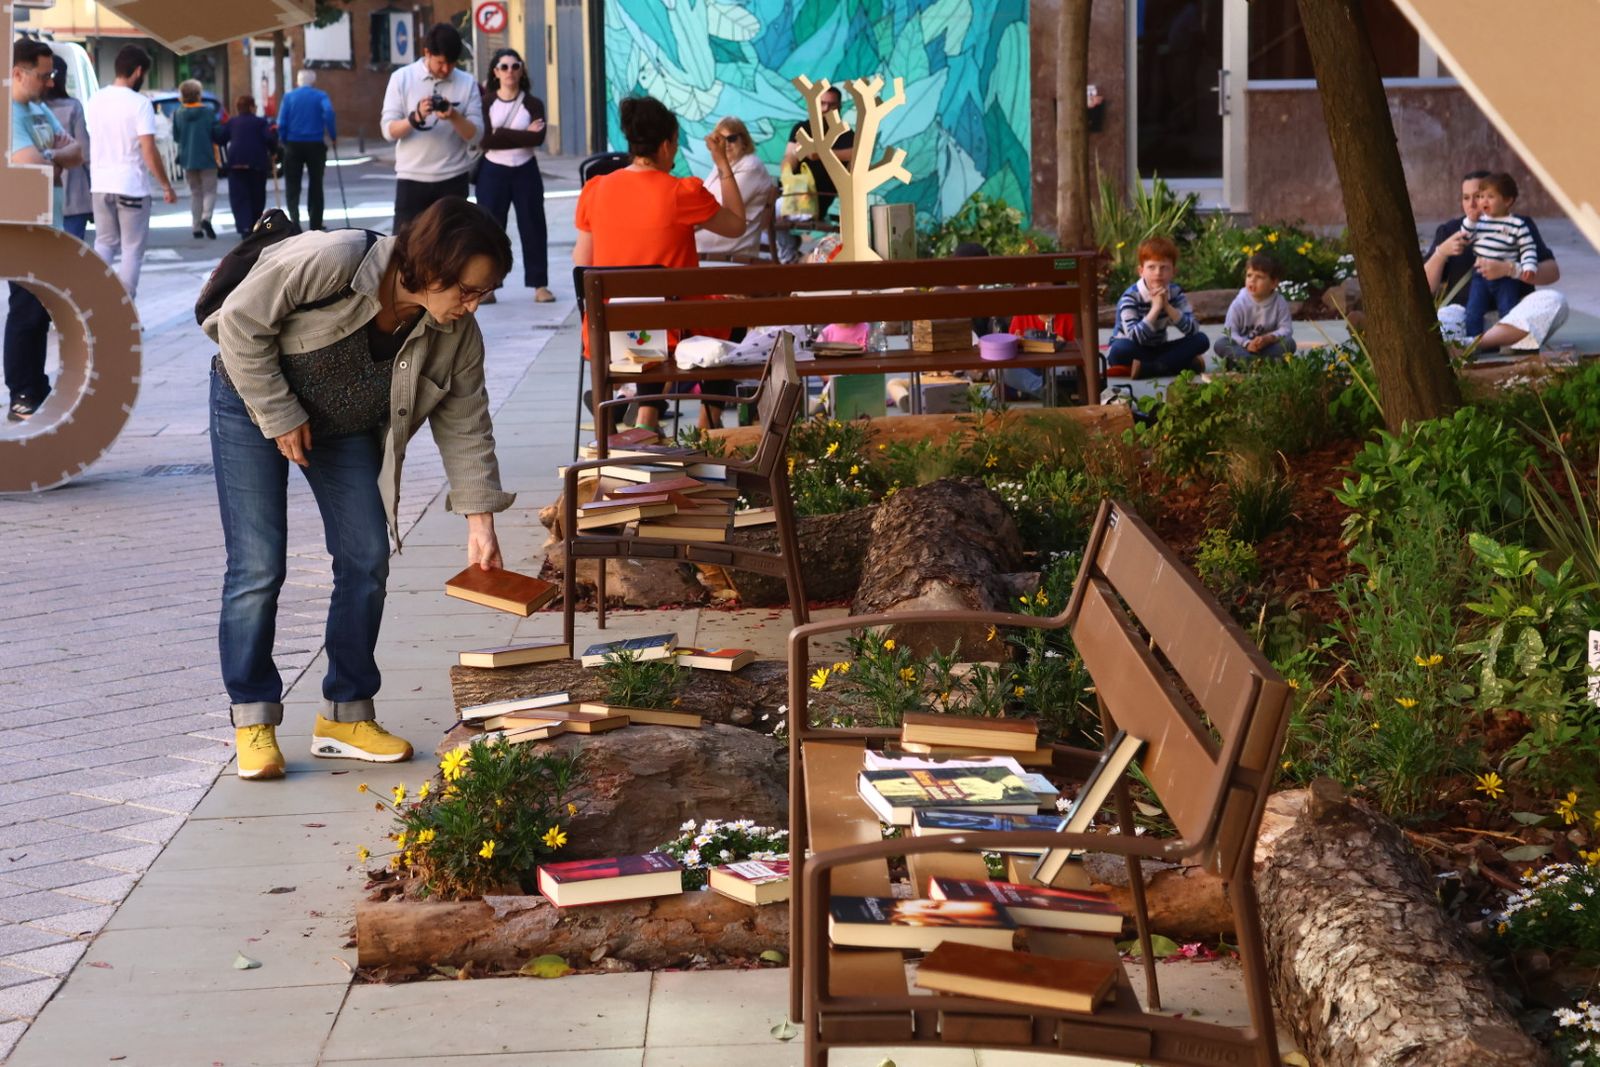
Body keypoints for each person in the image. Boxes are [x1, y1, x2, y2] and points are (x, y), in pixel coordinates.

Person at [201, 198, 515, 780]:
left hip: (340, 429)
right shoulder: (337, 259)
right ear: (435, 269)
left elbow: (467, 421)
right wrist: (278, 412)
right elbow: (237, 324)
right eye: (469, 291)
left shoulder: (456, 334)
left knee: (366, 555)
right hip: (251, 404)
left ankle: (344, 714)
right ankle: (254, 720)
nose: (474, 305)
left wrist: (480, 522)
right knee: (258, 565)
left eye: (483, 294)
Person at [573, 95, 748, 432]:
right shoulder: (681, 193)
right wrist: (724, 166)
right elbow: (737, 225)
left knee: (646, 320)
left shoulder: (596, 190)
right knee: (731, 317)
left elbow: (582, 261)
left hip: (605, 331)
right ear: (666, 145)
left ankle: (646, 414)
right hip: (672, 330)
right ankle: (707, 426)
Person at [6, 40, 84, 422]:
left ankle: (35, 387)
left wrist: (50, 159)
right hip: (20, 227)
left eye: (52, 74)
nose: (51, 82)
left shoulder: (38, 109)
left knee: (41, 309)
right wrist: (51, 159)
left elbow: (76, 152)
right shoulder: (9, 113)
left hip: (49, 223)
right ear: (18, 73)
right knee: (26, 309)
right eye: (44, 75)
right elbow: (27, 162)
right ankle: (22, 393)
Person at [1423, 169, 1567, 353]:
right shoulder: (1452, 229)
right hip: (1464, 314)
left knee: (1555, 301)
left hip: (1513, 318)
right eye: (1466, 198)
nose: (1473, 204)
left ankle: (1471, 345)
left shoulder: (1519, 224)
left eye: (1481, 196)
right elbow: (1425, 288)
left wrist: (1510, 269)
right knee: (1438, 324)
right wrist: (1441, 253)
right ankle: (1479, 343)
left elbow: (1552, 272)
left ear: (1501, 197)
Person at [85, 44, 176, 299]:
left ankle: (94, 303)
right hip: (131, 186)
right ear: (138, 71)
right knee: (131, 250)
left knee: (104, 244)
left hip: (100, 184)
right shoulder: (140, 104)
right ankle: (124, 314)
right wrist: (166, 185)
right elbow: (148, 149)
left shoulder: (95, 100)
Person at [380, 23, 483, 231]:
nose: (446, 70)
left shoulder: (467, 82)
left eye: (452, 64)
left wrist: (453, 116)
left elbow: (476, 136)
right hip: (412, 178)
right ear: (427, 53)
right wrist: (415, 118)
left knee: (453, 251)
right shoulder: (402, 78)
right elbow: (388, 131)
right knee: (405, 249)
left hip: (453, 179)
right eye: (441, 63)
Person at [475, 48, 552, 303]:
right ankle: (489, 286)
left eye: (515, 66)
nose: (510, 71)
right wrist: (520, 135)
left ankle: (540, 285)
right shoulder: (485, 103)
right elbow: (485, 139)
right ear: (495, 72)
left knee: (533, 226)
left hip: (525, 170)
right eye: (504, 67)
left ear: (521, 71)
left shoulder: (533, 103)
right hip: (492, 172)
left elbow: (538, 138)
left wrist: (501, 133)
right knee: (489, 229)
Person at [1107, 236, 1209, 379]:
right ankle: (1176, 364)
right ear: (1141, 271)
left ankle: (1152, 367)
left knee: (1201, 340)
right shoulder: (1130, 297)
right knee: (1119, 350)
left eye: (1164, 267)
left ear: (1174, 271)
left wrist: (1167, 306)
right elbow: (1135, 338)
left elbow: (1192, 329)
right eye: (1151, 267)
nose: (1158, 273)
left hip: (1158, 348)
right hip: (1133, 347)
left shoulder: (1175, 293)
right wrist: (1155, 308)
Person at [776, 85, 853, 262]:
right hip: (795, 193)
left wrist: (822, 154)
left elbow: (856, 152)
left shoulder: (845, 134)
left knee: (774, 209)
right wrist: (787, 170)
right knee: (770, 204)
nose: (826, 109)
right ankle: (789, 251)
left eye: (832, 105)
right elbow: (789, 155)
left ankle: (788, 256)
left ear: (839, 108)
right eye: (822, 104)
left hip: (817, 200)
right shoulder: (801, 129)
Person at [1458, 172, 1538, 337]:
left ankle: (1508, 341)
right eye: (1481, 197)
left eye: (1490, 197)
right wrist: (1470, 221)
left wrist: (1529, 266)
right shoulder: (1479, 222)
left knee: (1508, 310)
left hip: (1506, 279)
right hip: (1480, 275)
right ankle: (1473, 342)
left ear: (1507, 201)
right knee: (1473, 310)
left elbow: (1528, 248)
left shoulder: (1517, 224)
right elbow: (1465, 237)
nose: (1483, 201)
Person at [695, 116, 775, 262]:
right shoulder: (723, 164)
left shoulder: (751, 166)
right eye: (719, 139)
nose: (726, 144)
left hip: (730, 252)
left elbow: (717, 212)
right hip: (710, 249)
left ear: (743, 141)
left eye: (731, 139)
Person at [276, 70, 336, 232]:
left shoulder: (289, 97)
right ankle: (315, 223)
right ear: (313, 82)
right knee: (316, 184)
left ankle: (294, 222)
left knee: (292, 184)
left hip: (293, 144)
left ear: (297, 82)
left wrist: (283, 138)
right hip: (315, 144)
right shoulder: (320, 95)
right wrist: (332, 134)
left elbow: (281, 122)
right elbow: (329, 112)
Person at [1214, 251, 1295, 365]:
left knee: (1289, 343)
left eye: (1259, 277)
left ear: (1273, 283)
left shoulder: (1279, 302)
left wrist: (1268, 338)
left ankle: (1245, 363)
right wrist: (1247, 344)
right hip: (1243, 347)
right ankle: (1257, 363)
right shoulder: (1239, 303)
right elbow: (1230, 332)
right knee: (1221, 343)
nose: (1252, 280)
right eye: (1249, 275)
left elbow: (1286, 329)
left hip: (1266, 348)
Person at [44, 53, 91, 242]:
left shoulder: (30, 108)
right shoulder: (73, 107)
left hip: (41, 196)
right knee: (71, 254)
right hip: (74, 195)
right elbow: (86, 152)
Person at [217, 96, 277, 235]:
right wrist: (274, 150)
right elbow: (269, 139)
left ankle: (244, 226)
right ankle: (254, 224)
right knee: (257, 195)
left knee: (239, 197)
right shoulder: (261, 122)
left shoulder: (232, 122)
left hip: (236, 163)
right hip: (256, 163)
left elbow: (221, 138)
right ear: (251, 107)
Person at [172, 80, 221, 239]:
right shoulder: (208, 111)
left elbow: (176, 137)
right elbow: (217, 134)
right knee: (210, 191)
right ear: (198, 94)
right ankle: (207, 218)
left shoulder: (178, 113)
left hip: (188, 158)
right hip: (207, 156)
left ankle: (196, 227)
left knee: (195, 193)